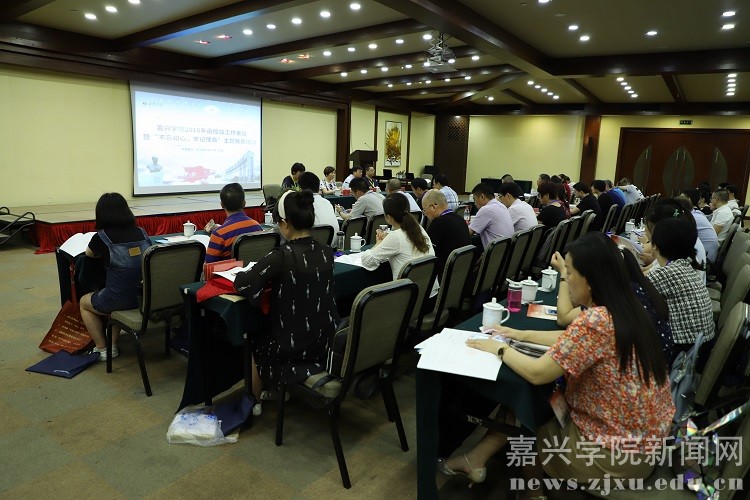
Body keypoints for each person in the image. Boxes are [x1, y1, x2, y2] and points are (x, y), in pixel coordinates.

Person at [440, 232, 674, 494]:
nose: (567, 278)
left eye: (569, 272)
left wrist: (500, 348)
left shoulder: (597, 320)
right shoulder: (626, 307)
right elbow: (571, 338)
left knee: (526, 424)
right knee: (529, 405)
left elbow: (537, 372)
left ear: (590, 279)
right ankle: (476, 460)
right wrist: (518, 334)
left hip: (612, 454)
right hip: (644, 444)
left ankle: (533, 495)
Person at [234, 190, 339, 412]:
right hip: (325, 341)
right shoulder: (327, 251)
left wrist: (242, 273)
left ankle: (254, 402)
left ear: (284, 224)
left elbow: (244, 284)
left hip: (292, 347)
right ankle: (278, 390)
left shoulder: (281, 256)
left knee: (254, 339)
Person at [80, 193, 151, 360]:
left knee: (84, 302)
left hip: (117, 300)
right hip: (143, 298)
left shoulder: (101, 237)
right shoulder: (142, 232)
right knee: (120, 290)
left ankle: (102, 349)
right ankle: (112, 345)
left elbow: (89, 254)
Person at [646, 218, 715, 354]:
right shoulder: (685, 264)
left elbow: (629, 295)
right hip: (701, 346)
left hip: (683, 352)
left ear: (655, 245)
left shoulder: (666, 274)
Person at [361, 193, 436, 288]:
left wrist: (379, 243)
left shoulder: (396, 236)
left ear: (388, 217)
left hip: (408, 293)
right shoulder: (419, 228)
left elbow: (367, 261)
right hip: (429, 290)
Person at [204, 183, 263, 263]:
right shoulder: (257, 226)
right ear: (244, 203)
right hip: (253, 269)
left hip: (229, 271)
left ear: (222, 205)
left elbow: (209, 266)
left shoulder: (218, 234)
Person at [423, 189, 471, 273]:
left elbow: (426, 251)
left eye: (424, 210)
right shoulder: (460, 219)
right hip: (462, 271)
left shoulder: (438, 223)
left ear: (433, 207)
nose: (425, 214)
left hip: (444, 272)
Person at [468, 183, 514, 249]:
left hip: (495, 252)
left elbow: (468, 233)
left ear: (482, 197)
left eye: (474, 199)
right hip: (505, 250)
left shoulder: (486, 209)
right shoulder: (501, 206)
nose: (474, 204)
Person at [679, 188, 720, 263]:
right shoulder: (696, 213)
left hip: (706, 260)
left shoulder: (693, 218)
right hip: (706, 255)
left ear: (688, 200)